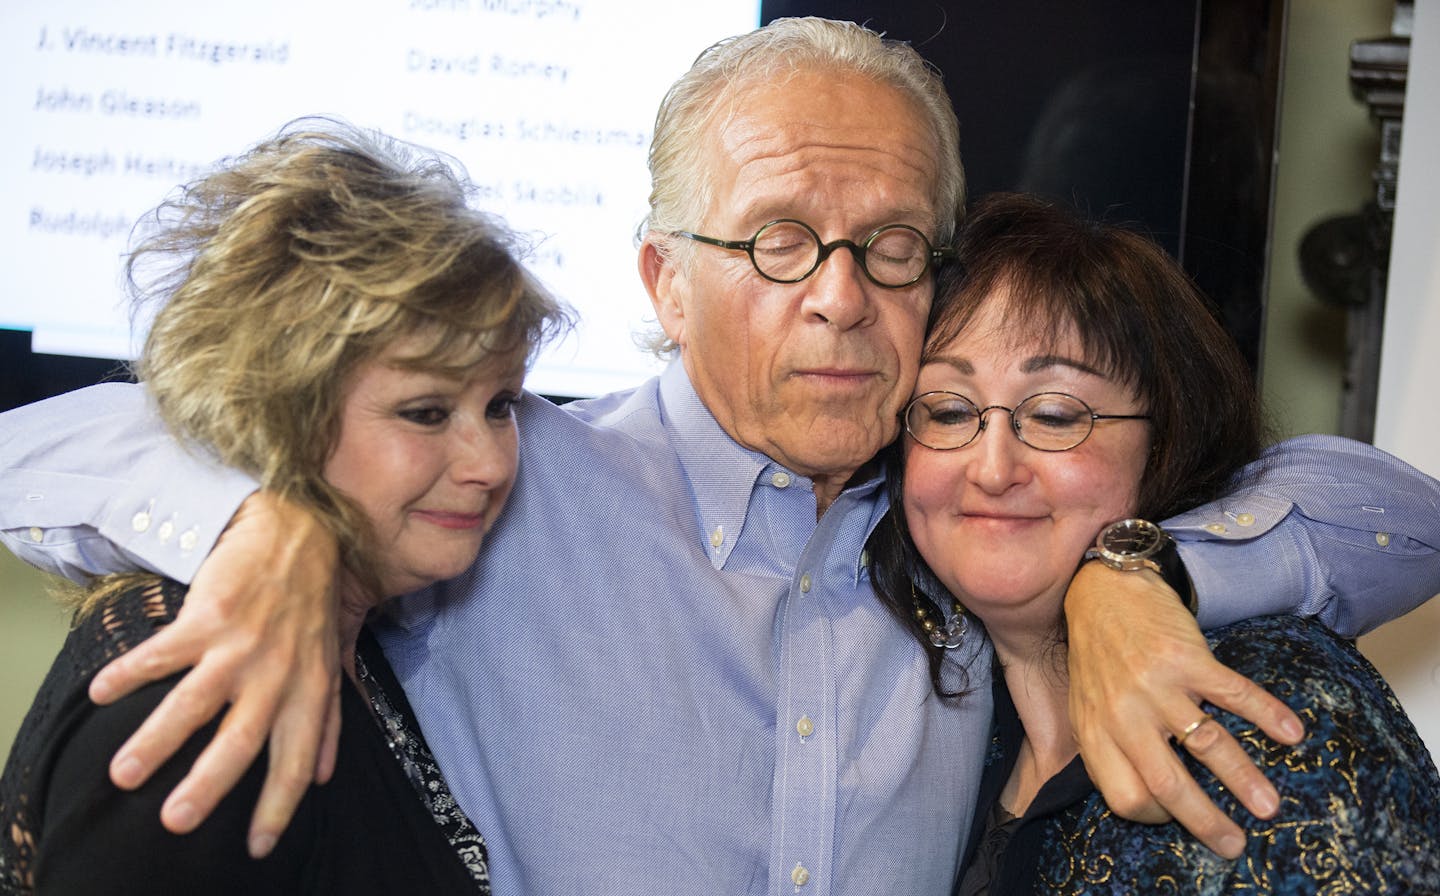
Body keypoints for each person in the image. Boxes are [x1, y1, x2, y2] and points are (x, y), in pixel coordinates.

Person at [3, 17, 1440, 896]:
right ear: (660, 279)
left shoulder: (968, 525)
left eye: (889, 249)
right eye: (772, 241)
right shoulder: (507, 483)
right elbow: (36, 453)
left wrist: (1145, 568)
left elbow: (1395, 513)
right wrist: (274, 519)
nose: (837, 298)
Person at [0, 120, 568, 893]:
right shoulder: (204, 702)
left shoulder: (336, 625)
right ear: (281, 411)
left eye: (499, 404)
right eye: (427, 413)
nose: (490, 463)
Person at [869, 193, 1440, 893]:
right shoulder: (948, 718)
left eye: (1054, 415)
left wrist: (1133, 566)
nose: (992, 468)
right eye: (949, 411)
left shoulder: (1268, 710)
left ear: (1164, 445)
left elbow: (1412, 513)